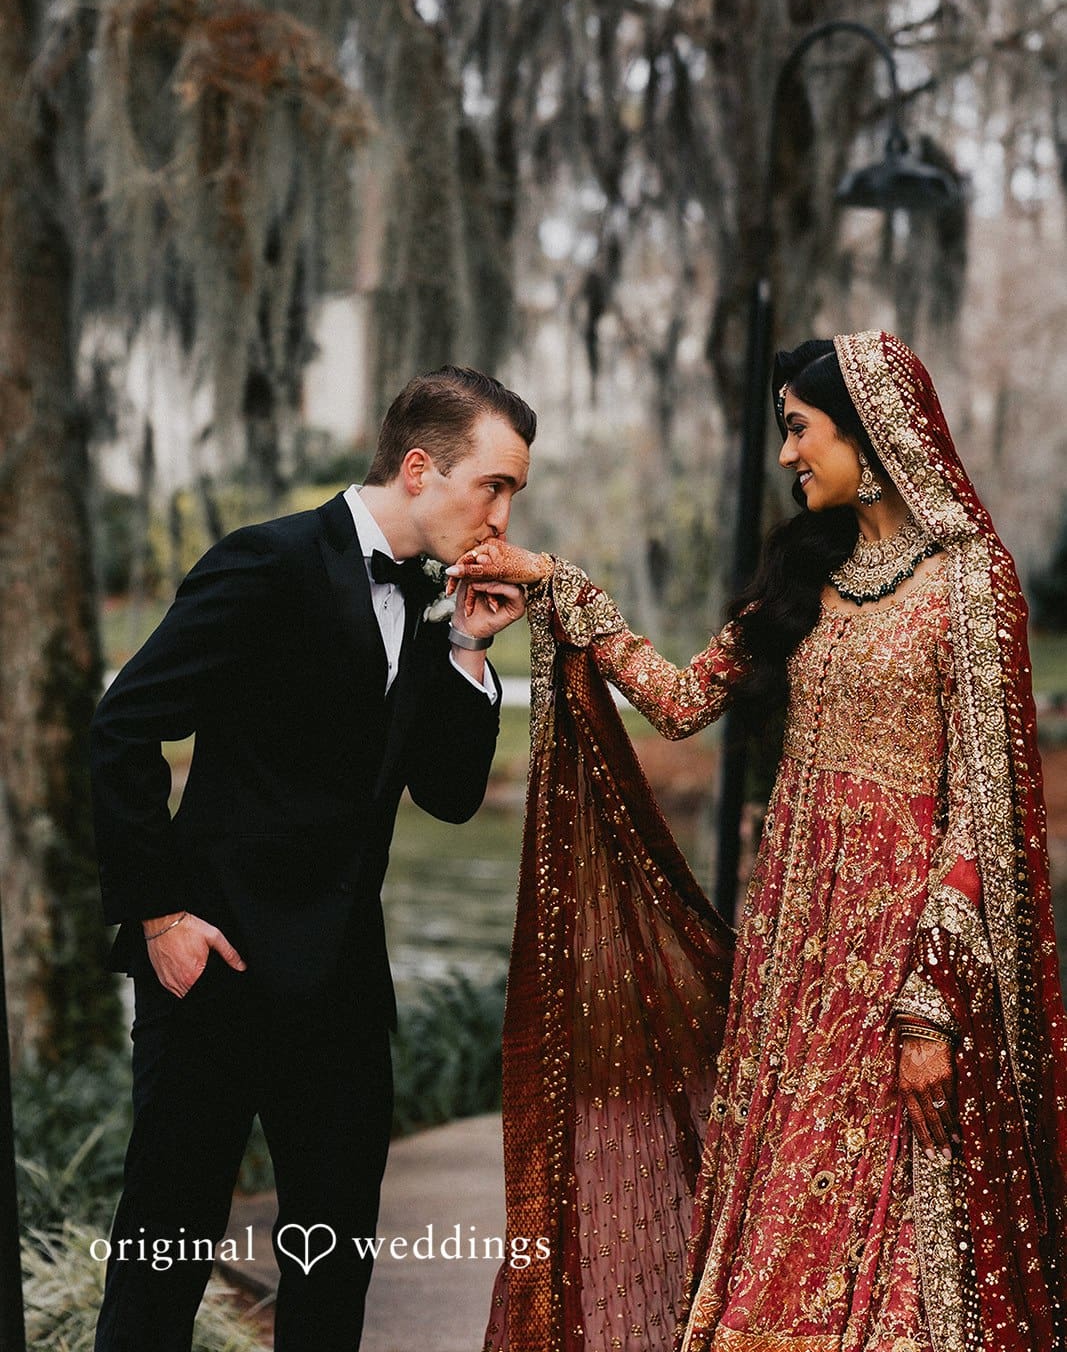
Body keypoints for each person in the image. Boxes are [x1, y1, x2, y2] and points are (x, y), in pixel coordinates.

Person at [452, 331, 1067, 1352]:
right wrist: (555, 583)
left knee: (901, 1224)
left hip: (899, 955)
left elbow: (986, 810)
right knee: (783, 1211)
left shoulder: (970, 584)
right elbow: (683, 700)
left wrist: (933, 1003)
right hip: (793, 959)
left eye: (798, 430)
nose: (787, 455)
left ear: (868, 433)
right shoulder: (804, 574)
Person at [90, 366, 534, 1352]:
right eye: (492, 484)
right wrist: (159, 914)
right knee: (160, 1262)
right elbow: (124, 726)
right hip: (210, 967)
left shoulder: (435, 600)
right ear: (420, 468)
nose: (501, 511)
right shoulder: (266, 562)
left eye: (513, 493)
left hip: (339, 986)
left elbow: (452, 797)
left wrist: (466, 648)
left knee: (332, 1277)